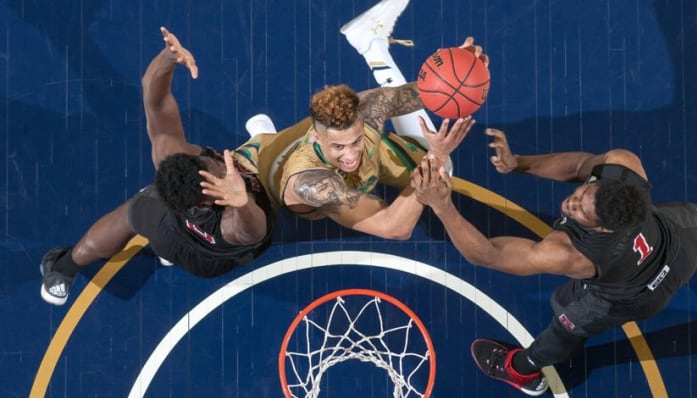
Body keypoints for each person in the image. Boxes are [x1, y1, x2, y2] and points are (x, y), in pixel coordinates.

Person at [411, 128, 697, 396]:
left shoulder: (570, 253)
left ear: (603, 228)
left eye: (581, 213)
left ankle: (523, 370)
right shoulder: (624, 163)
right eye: (584, 191)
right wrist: (519, 163)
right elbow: (579, 165)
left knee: (567, 323)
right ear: (610, 181)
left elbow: (487, 254)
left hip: (637, 295)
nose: (572, 202)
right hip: (679, 239)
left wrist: (442, 207)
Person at [39, 27, 274, 306]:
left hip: (166, 232)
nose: (224, 167)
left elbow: (156, 99)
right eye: (220, 175)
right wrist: (242, 202)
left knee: (132, 213)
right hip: (207, 260)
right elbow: (254, 231)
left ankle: (63, 268)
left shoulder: (168, 155)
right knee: (276, 194)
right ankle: (266, 141)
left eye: (210, 164)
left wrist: (168, 57)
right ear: (207, 203)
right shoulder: (231, 224)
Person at [241, 0, 488, 239]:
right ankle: (263, 137)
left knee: (433, 166)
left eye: (355, 142)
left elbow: (423, 94)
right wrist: (436, 157)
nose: (350, 156)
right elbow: (395, 228)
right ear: (317, 137)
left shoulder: (363, 113)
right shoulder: (313, 183)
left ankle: (371, 44)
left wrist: (458, 77)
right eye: (339, 147)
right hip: (262, 171)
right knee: (442, 171)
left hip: (280, 147)